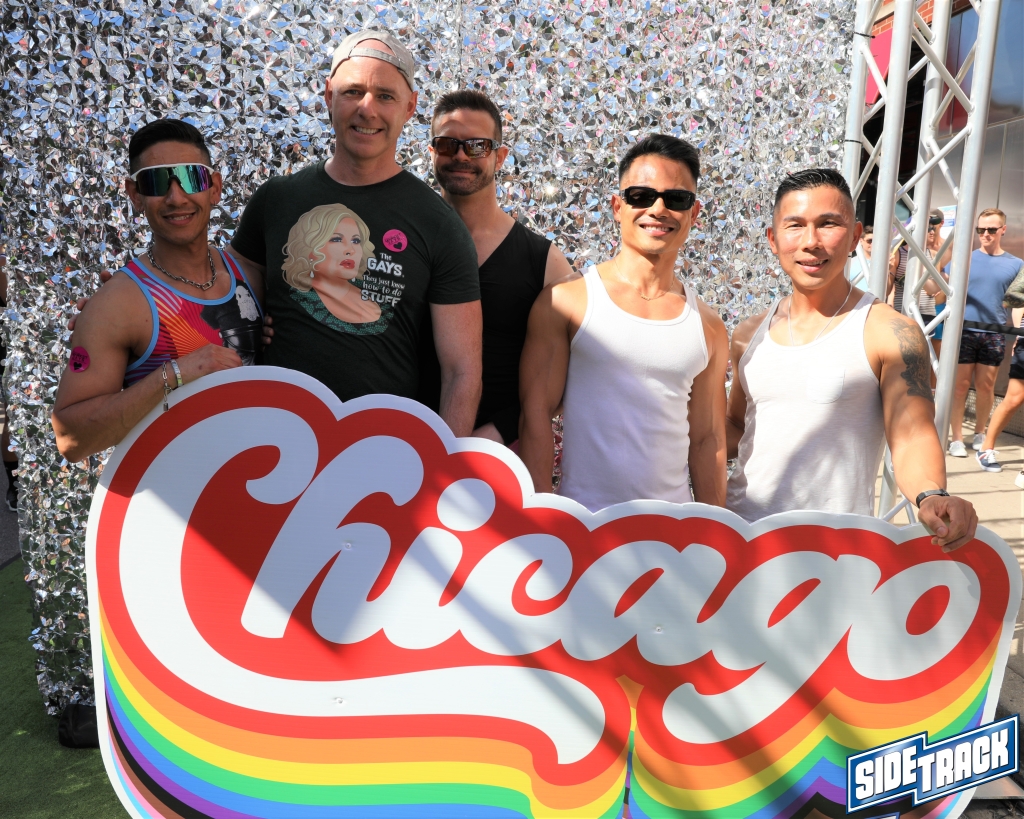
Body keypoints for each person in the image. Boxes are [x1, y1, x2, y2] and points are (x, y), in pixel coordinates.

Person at [228, 30, 483, 435]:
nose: (367, 109)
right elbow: (221, 299)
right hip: (272, 437)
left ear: (410, 107)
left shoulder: (439, 224)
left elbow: (462, 372)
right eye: (353, 92)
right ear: (329, 95)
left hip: (380, 450)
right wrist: (248, 326)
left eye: (385, 96)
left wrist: (443, 465)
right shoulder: (276, 200)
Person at [726, 169, 977, 551]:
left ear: (855, 237)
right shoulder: (748, 334)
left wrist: (931, 495)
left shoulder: (890, 332)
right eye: (795, 225)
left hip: (835, 553)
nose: (811, 242)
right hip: (741, 541)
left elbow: (912, 433)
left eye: (828, 224)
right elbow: (733, 427)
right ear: (773, 240)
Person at [519, 133, 729, 511]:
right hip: (583, 526)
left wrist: (716, 531)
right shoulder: (567, 301)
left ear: (694, 213)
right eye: (641, 196)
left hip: (673, 533)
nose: (658, 209)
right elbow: (535, 417)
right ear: (618, 206)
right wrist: (543, 519)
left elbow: (707, 440)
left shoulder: (708, 327)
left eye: (676, 199)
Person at [51, 119, 264, 461]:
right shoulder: (119, 303)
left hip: (263, 479)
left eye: (191, 178)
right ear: (135, 195)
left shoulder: (252, 279)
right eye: (156, 182)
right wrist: (175, 373)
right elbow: (71, 440)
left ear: (214, 187)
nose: (176, 197)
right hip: (175, 490)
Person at [428, 89, 576, 445]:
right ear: (431, 152)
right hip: (395, 445)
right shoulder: (405, 241)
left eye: (477, 146)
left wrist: (489, 439)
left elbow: (564, 377)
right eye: (447, 144)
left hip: (498, 460)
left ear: (500, 156)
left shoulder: (544, 261)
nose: (461, 155)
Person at [948, 208, 1024, 457]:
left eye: (991, 229)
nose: (985, 234)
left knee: (985, 386)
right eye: (980, 229)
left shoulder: (1016, 264)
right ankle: (956, 438)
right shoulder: (965, 259)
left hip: (994, 333)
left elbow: (1017, 303)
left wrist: (1018, 333)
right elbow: (942, 285)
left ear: (1003, 230)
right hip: (963, 331)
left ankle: (980, 432)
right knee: (960, 386)